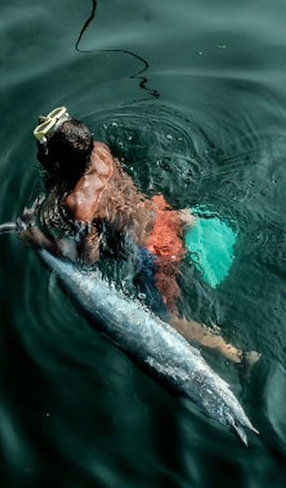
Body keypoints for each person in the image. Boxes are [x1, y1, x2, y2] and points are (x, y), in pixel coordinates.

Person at [21, 106, 254, 365]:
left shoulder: (79, 204)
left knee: (168, 321)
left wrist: (41, 242)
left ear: (56, 163)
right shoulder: (100, 152)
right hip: (161, 216)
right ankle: (191, 223)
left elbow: (88, 259)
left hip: (153, 253)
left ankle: (235, 353)